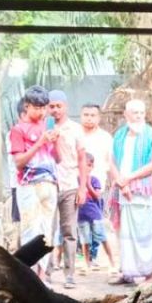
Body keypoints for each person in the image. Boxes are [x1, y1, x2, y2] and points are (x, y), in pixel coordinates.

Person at [107, 99, 152, 286]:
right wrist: (121, 183)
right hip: (121, 191)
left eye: (141, 112)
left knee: (144, 232)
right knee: (123, 234)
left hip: (140, 191)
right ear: (126, 114)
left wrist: (129, 179)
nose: (139, 116)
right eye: (134, 112)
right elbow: (111, 163)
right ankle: (127, 272)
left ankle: (149, 275)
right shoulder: (119, 135)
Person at [8, 86, 58, 260]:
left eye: (44, 108)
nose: (41, 112)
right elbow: (19, 163)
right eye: (37, 108)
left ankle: (43, 276)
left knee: (46, 232)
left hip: (50, 183)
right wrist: (39, 143)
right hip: (29, 185)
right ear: (27, 106)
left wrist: (55, 142)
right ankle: (31, 275)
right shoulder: (18, 129)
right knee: (31, 231)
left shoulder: (47, 127)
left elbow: (57, 158)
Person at [45, 90, 84, 289]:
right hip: (48, 186)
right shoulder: (44, 128)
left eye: (58, 106)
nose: (55, 110)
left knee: (69, 231)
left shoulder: (75, 129)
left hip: (70, 185)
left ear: (65, 107)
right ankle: (47, 273)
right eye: (51, 106)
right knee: (47, 232)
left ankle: (70, 274)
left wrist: (83, 187)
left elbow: (82, 158)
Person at [79, 103, 118, 268]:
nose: (89, 118)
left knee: (97, 223)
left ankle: (93, 257)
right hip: (77, 186)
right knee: (80, 223)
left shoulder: (106, 138)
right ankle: (83, 259)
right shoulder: (75, 134)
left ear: (99, 117)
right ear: (81, 116)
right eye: (86, 114)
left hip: (97, 187)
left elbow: (110, 163)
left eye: (92, 115)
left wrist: (115, 182)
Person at [77, 151, 112, 273]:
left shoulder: (94, 180)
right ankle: (87, 263)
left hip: (95, 215)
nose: (84, 167)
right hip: (81, 215)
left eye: (87, 164)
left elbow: (97, 196)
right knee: (85, 240)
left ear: (91, 166)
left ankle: (111, 261)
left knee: (101, 237)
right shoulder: (75, 180)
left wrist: (87, 185)